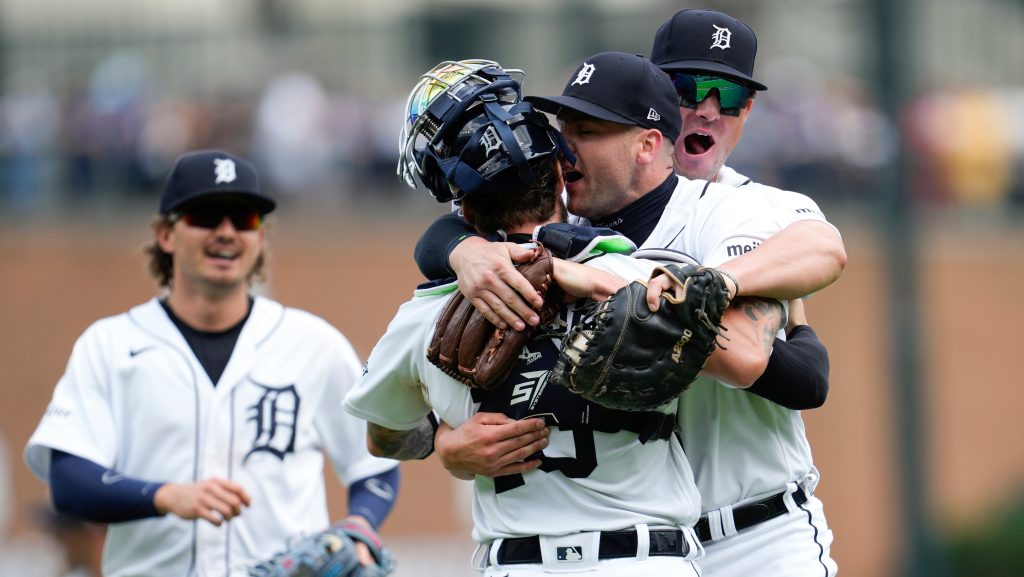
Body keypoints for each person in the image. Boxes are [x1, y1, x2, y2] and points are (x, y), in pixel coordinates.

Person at [416, 22, 843, 576]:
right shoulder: (565, 221)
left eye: (729, 95)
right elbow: (442, 244)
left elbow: (822, 257)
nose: (707, 110)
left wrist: (696, 286)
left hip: (754, 532)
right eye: (687, 89)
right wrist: (463, 251)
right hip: (640, 545)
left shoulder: (746, 210)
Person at [23, 149, 400, 577]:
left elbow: (375, 464)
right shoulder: (110, 345)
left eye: (244, 220)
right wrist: (164, 496)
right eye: (205, 216)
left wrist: (360, 525)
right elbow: (69, 480)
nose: (226, 232)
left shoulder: (314, 345)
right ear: (165, 234)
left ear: (260, 237)